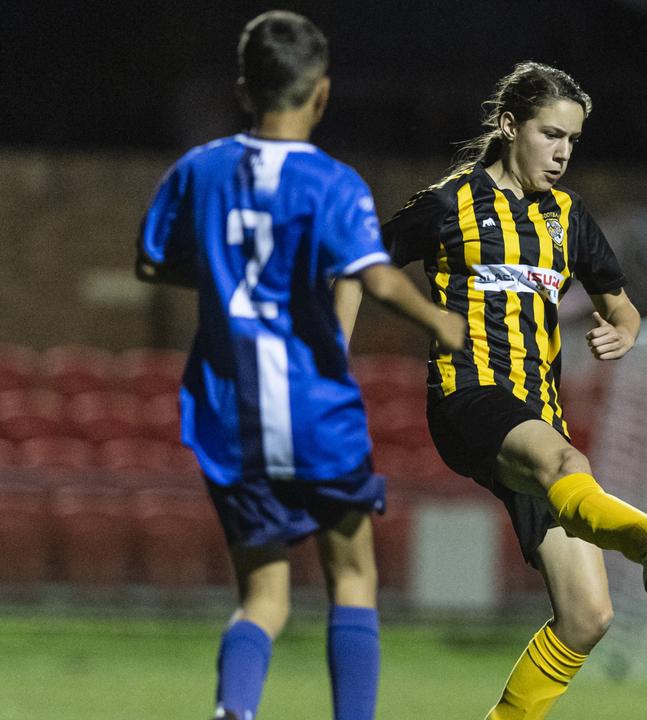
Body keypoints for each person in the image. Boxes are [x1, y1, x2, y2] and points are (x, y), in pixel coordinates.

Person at [355, 61, 647, 720]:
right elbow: (362, 263)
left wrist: (621, 330)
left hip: (539, 417)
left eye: (572, 140)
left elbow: (621, 307)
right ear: (510, 126)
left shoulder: (568, 218)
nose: (562, 153)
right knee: (570, 463)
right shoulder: (448, 204)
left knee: (588, 616)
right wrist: (426, 318)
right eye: (550, 134)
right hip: (467, 397)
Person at [136, 11, 466, 720]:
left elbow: (151, 260)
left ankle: (235, 710)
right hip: (316, 414)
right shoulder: (333, 182)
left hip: (233, 418)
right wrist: (441, 320)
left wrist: (235, 286)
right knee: (352, 578)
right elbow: (375, 278)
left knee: (262, 595)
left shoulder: (199, 170)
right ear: (320, 95)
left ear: (242, 90)